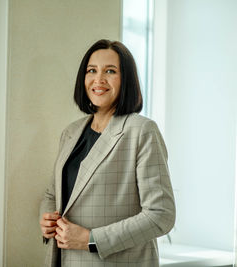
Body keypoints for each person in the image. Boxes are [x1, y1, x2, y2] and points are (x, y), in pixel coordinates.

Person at [39, 39, 176, 267]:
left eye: (110, 71)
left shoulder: (141, 131)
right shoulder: (71, 133)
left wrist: (91, 240)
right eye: (92, 70)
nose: (98, 79)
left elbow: (161, 215)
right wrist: (47, 220)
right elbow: (52, 194)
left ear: (127, 81)